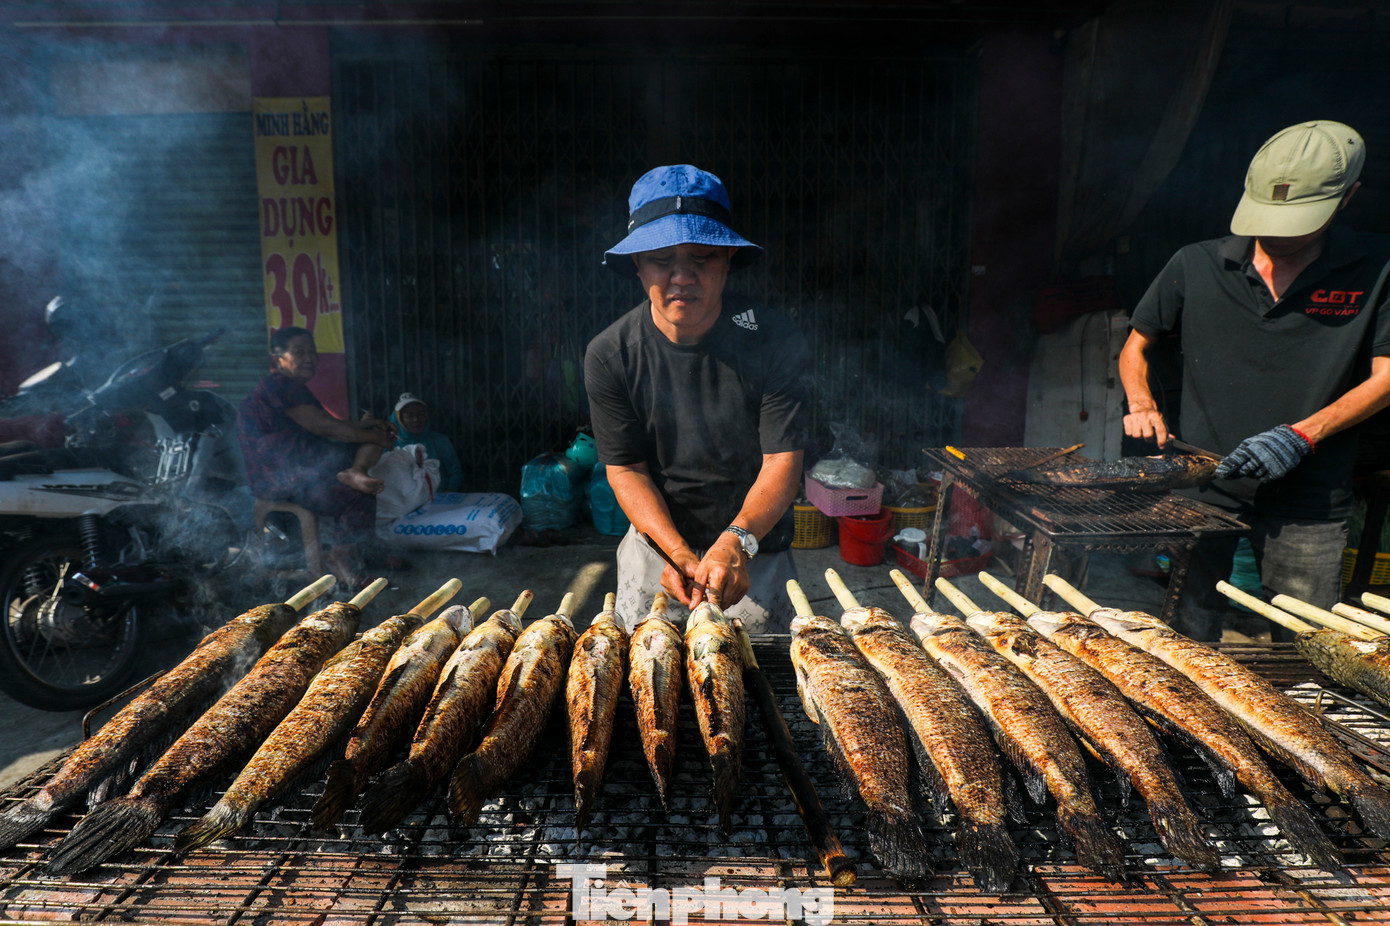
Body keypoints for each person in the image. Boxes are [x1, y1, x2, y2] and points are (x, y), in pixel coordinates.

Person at [1119, 120, 1390, 641]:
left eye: (1298, 222)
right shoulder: (1195, 264)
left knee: (1309, 644)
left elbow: (1387, 376)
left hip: (1309, 497)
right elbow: (1137, 343)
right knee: (1184, 642)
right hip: (1204, 483)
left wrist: (1300, 435)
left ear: (1347, 198)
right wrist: (1142, 401)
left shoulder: (1377, 268)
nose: (1279, 234)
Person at [584, 164, 812, 630]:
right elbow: (626, 469)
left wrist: (735, 543)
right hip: (658, 551)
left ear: (728, 259)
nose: (681, 276)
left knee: (754, 686)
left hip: (755, 546)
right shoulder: (611, 354)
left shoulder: (774, 339)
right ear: (637, 264)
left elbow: (782, 462)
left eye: (702, 257)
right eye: (662, 259)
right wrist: (676, 550)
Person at [237, 326, 396, 586]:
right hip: (286, 478)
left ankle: (355, 472)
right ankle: (339, 558)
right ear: (279, 359)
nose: (309, 358)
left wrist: (371, 425)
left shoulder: (286, 387)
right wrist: (376, 436)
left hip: (296, 471)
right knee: (358, 493)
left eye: (312, 351)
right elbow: (325, 427)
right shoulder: (280, 385)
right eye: (299, 352)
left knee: (370, 439)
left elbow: (326, 422)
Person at [389, 392, 464, 493]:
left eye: (420, 414)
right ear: (399, 418)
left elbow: (455, 473)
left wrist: (448, 494)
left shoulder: (439, 441)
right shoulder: (390, 444)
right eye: (409, 416)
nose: (416, 420)